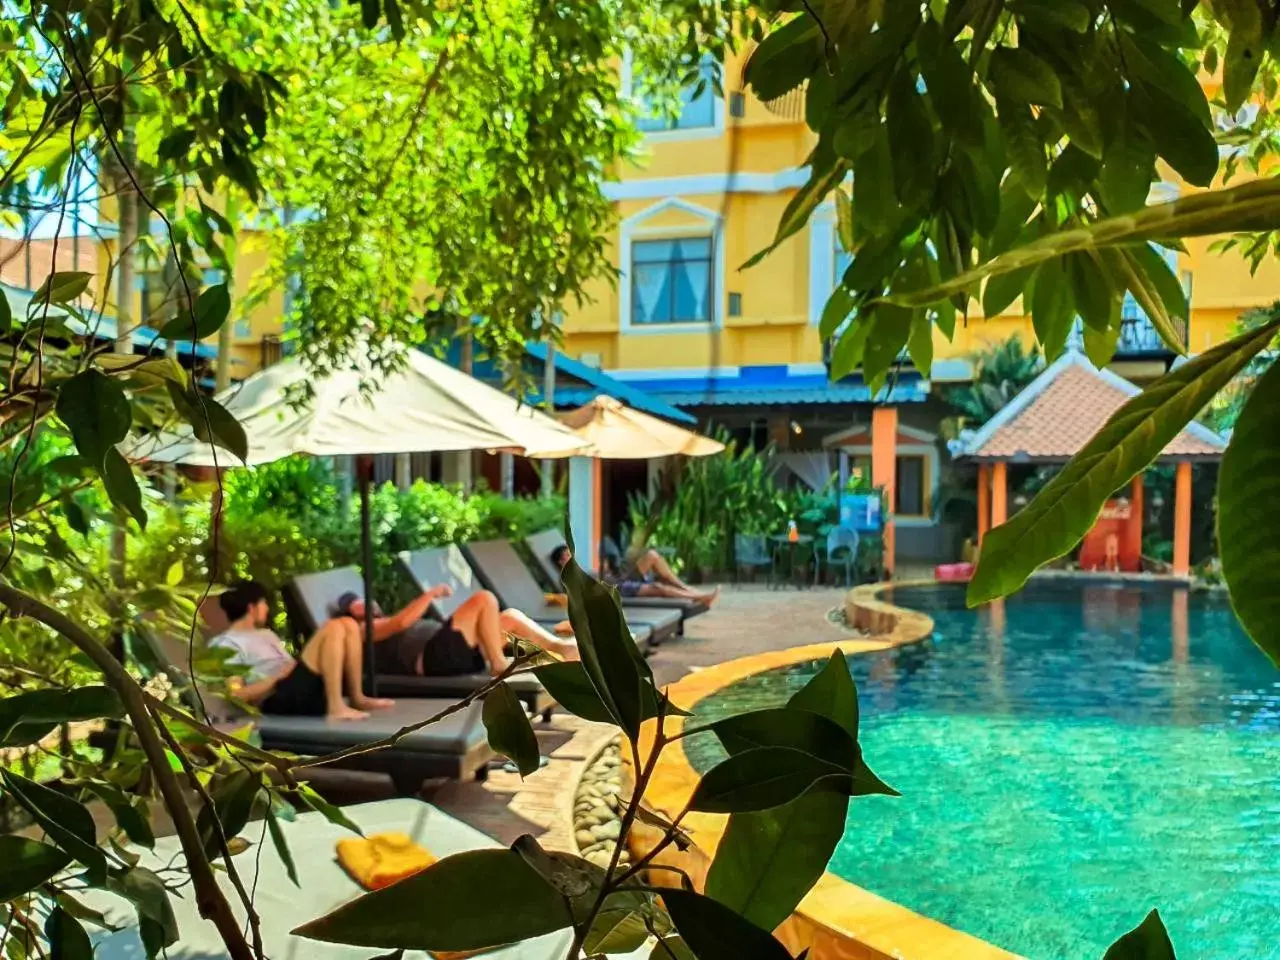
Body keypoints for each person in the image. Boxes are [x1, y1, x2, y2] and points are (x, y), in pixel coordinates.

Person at [210, 580, 391, 722]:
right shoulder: (226, 644)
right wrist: (276, 678)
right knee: (333, 627)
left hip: (295, 687)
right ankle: (336, 707)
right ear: (251, 608)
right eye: (263, 603)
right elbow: (235, 695)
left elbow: (291, 668)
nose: (266, 608)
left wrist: (291, 669)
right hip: (276, 699)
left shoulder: (266, 635)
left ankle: (356, 697)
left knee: (348, 624)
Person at [331, 583, 578, 679]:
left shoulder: (385, 618)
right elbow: (401, 623)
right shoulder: (361, 630)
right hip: (432, 659)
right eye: (355, 603)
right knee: (484, 599)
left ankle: (561, 647)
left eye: (364, 598)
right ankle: (498, 663)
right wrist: (431, 594)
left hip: (451, 652)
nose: (364, 602)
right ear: (350, 614)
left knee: (510, 618)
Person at [549, 543, 719, 605]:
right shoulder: (566, 577)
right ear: (560, 562)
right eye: (566, 555)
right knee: (658, 586)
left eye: (569, 553)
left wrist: (605, 570)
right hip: (615, 588)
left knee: (652, 555)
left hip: (616, 579)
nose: (570, 556)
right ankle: (699, 597)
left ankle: (690, 590)